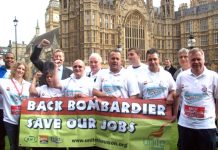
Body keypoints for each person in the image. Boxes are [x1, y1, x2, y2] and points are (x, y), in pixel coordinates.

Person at [175, 48, 218, 150]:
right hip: (185, 125)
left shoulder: (214, 76)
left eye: (198, 59)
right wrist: (174, 113)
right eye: (193, 60)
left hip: (206, 126)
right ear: (189, 61)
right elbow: (177, 96)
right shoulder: (181, 76)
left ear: (203, 59)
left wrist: (216, 115)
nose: (196, 62)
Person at [0, 62, 30, 150]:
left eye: (23, 69)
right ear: (14, 69)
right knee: (13, 145)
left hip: (24, 120)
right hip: (10, 120)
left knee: (23, 145)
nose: (20, 70)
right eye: (19, 68)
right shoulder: (4, 82)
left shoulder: (28, 85)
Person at [0, 52, 15, 150]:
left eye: (12, 58)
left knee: (13, 137)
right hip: (0, 108)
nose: (9, 59)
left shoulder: (17, 71)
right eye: (7, 58)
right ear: (4, 59)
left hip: (13, 109)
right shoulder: (0, 70)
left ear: (14, 60)